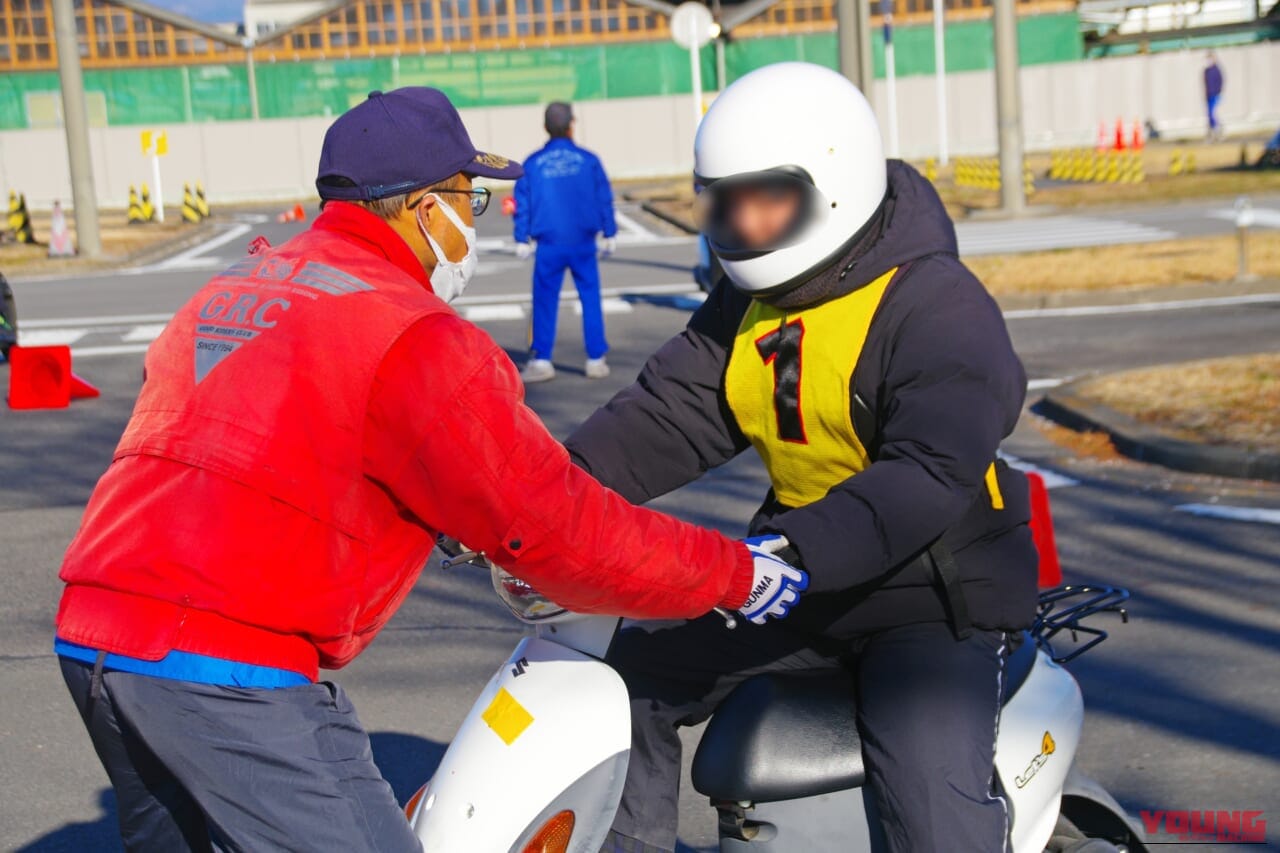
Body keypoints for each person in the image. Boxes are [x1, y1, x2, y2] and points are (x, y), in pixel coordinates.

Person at [52, 87, 809, 852]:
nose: (472, 221)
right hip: (224, 662)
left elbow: (250, 441)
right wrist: (730, 573)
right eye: (469, 198)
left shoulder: (233, 290)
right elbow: (560, 531)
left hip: (94, 632)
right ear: (422, 208)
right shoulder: (412, 334)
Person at [566, 63, 1039, 852]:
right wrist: (543, 489)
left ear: (834, 182)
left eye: (768, 198)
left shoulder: (937, 305)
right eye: (726, 200)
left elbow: (926, 473)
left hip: (928, 598)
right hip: (796, 580)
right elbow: (672, 413)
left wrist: (786, 553)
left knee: (928, 807)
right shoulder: (751, 298)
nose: (744, 223)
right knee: (627, 682)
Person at [514, 101, 618, 383]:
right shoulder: (589, 160)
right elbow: (603, 196)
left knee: (545, 300)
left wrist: (521, 237)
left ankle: (542, 358)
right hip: (584, 241)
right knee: (590, 297)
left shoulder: (533, 163)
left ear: (546, 127)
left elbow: (522, 202)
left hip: (549, 243)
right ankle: (595, 358)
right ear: (572, 124)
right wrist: (609, 232)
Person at [1204, 52, 1224, 141]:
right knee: (1209, 114)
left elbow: (1221, 82)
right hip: (1208, 95)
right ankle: (1212, 133)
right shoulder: (1207, 71)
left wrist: (1218, 93)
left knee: (1212, 114)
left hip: (1215, 95)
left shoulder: (1216, 70)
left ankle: (1218, 131)